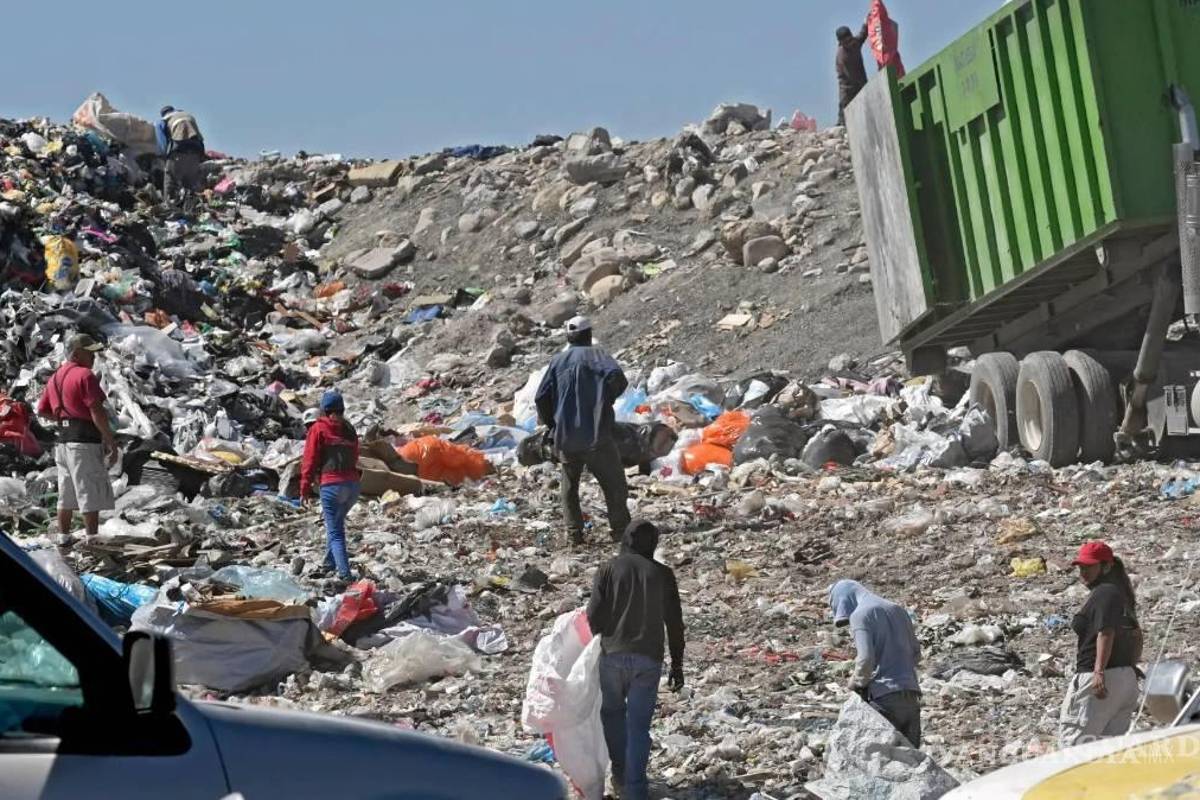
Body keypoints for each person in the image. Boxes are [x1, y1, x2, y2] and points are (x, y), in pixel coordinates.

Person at [587, 520, 685, 800]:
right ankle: (635, 790)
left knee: (612, 716)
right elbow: (675, 623)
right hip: (648, 660)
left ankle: (619, 773)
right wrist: (677, 663)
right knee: (639, 726)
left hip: (612, 657)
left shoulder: (608, 569)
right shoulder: (663, 574)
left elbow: (593, 617)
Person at [534, 316, 631, 545]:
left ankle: (574, 534)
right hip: (597, 435)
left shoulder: (558, 361)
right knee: (614, 483)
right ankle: (619, 531)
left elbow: (541, 397)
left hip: (566, 438)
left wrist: (553, 424)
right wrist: (604, 400)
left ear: (569, 337)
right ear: (588, 335)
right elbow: (618, 379)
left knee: (569, 488)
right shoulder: (598, 356)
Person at [1059, 541, 1142, 747]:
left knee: (1073, 748)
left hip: (1099, 681)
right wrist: (1130, 668)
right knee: (1106, 752)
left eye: (1089, 566)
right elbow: (1137, 634)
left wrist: (1099, 672)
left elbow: (1106, 632)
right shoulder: (1120, 594)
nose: (1083, 572)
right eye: (1081, 567)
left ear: (1106, 567)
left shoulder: (1104, 593)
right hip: (1125, 679)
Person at [35, 334, 118, 538]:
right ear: (77, 354)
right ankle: (92, 539)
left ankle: (63, 537)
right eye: (90, 353)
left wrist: (63, 419)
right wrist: (110, 441)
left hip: (62, 443)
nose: (94, 358)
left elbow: (41, 410)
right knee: (88, 491)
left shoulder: (55, 378)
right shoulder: (84, 375)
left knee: (67, 494)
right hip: (83, 443)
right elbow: (96, 411)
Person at [829, 579, 922, 746]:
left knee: (881, 761)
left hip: (884, 700)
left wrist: (855, 683)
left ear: (843, 600)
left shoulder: (860, 615)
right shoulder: (898, 609)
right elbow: (916, 653)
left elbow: (865, 659)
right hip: (912, 696)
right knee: (911, 761)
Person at [300, 391, 361, 583]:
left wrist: (304, 488)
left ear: (324, 410)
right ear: (342, 409)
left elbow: (309, 460)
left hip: (331, 486)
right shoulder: (349, 429)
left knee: (335, 533)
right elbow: (356, 456)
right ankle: (329, 563)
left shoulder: (318, 428)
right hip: (352, 487)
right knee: (336, 524)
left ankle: (345, 575)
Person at [156, 105, 206, 204]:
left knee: (170, 179)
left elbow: (162, 142)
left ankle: (168, 206)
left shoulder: (163, 121)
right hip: (196, 154)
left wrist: (164, 157)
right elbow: (198, 137)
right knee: (190, 184)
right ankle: (192, 208)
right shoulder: (188, 115)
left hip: (179, 153)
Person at [835, 23, 870, 126]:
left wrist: (866, 23)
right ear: (841, 43)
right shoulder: (842, 56)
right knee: (844, 109)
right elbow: (851, 76)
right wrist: (864, 87)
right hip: (847, 86)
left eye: (850, 40)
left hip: (861, 82)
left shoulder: (855, 43)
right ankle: (841, 127)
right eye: (846, 42)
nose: (850, 43)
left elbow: (863, 35)